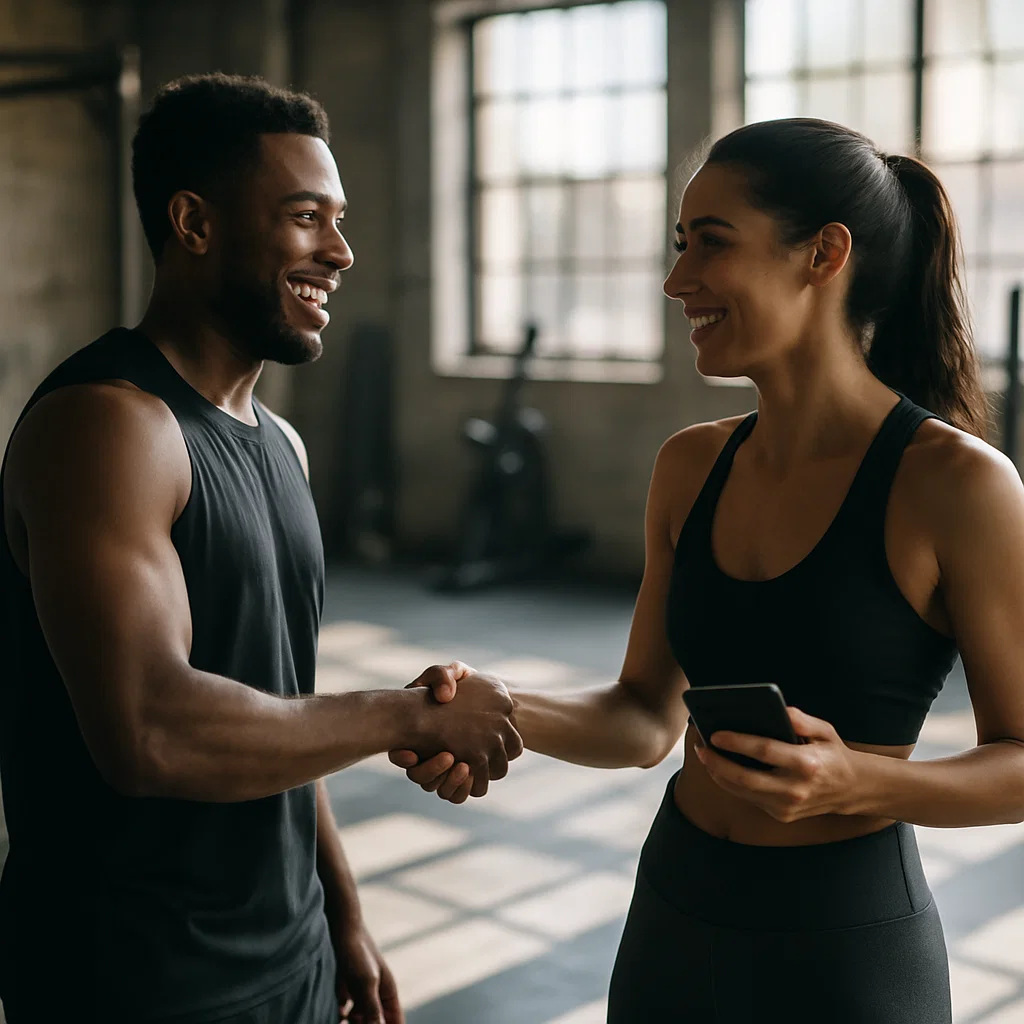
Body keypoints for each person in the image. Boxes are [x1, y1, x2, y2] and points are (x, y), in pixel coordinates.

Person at [393, 118, 1024, 1022]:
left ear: (824, 255)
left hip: (847, 945)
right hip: (678, 916)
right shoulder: (690, 466)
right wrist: (498, 711)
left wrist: (866, 782)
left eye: (710, 245)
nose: (675, 280)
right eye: (679, 246)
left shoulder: (958, 483)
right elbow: (645, 717)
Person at [0, 73, 521, 1024]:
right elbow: (152, 730)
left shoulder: (280, 442)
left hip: (288, 958)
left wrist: (341, 917)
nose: (341, 249)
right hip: (136, 980)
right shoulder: (108, 427)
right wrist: (409, 716)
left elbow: (277, 703)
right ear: (194, 224)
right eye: (305, 216)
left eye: (340, 218)